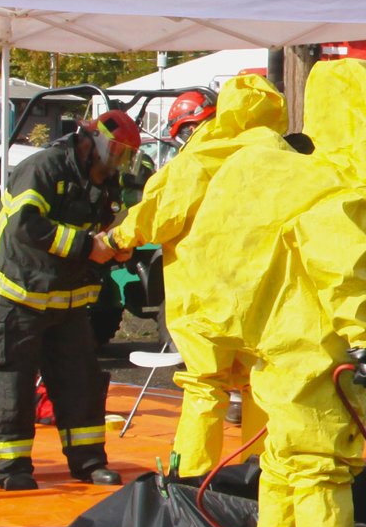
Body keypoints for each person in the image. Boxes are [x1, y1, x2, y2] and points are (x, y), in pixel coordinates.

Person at [172, 59, 366, 527]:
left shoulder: (286, 177)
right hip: (318, 352)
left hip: (277, 347)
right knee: (321, 473)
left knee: (283, 468)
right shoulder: (338, 187)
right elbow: (343, 271)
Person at [108, 74, 287, 476]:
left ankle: (191, 477)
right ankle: (265, 474)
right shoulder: (283, 155)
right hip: (265, 294)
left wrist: (118, 238)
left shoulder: (203, 156)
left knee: (206, 384)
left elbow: (160, 216)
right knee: (260, 382)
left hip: (206, 293)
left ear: (189, 127)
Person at [0, 111, 143, 490]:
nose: (118, 164)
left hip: (64, 302)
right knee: (11, 385)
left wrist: (116, 247)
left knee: (80, 382)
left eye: (126, 157)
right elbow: (26, 225)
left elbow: (102, 229)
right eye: (116, 152)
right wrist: (87, 247)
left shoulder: (105, 185)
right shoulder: (43, 168)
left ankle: (89, 462)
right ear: (90, 141)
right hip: (11, 295)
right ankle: (10, 470)